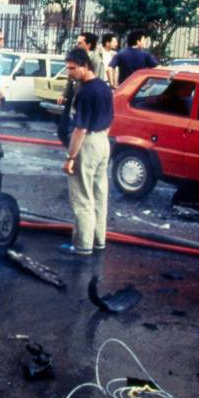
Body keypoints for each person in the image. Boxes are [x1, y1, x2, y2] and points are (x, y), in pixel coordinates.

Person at [60, 46, 114, 256]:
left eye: (72, 69)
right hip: (103, 141)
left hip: (88, 143)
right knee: (100, 194)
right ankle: (98, 240)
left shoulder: (85, 93)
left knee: (82, 196)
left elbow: (79, 129)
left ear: (84, 66)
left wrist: (70, 157)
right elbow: (111, 116)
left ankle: (83, 245)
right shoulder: (103, 87)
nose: (69, 73)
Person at [57, 33, 106, 145]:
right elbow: (70, 78)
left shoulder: (95, 60)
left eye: (80, 43)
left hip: (84, 99)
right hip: (73, 99)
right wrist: (64, 94)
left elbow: (96, 81)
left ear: (88, 45)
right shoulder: (77, 57)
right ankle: (73, 150)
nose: (77, 44)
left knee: (76, 129)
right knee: (63, 130)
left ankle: (74, 154)